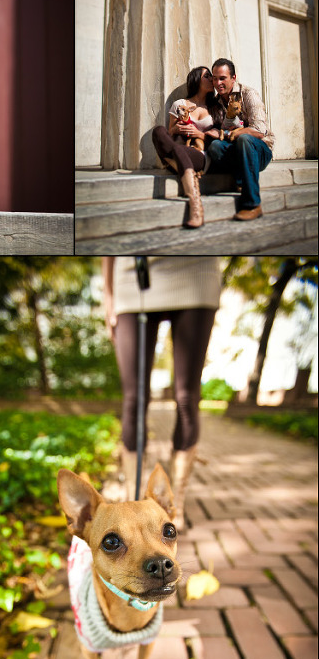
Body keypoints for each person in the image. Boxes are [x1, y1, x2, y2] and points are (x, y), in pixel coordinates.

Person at [102, 257, 221, 528]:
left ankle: (174, 502)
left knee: (186, 397)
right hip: (133, 276)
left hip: (195, 272)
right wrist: (108, 298)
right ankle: (132, 495)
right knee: (134, 398)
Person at [206, 57, 274, 220]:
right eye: (215, 78)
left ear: (233, 78)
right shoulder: (216, 102)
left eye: (222, 78)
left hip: (259, 151)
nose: (218, 83)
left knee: (244, 139)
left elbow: (260, 131)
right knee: (215, 146)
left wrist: (230, 134)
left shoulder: (248, 94)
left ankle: (252, 204)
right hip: (236, 151)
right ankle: (241, 176)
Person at [152, 65, 217, 230]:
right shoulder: (179, 104)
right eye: (207, 76)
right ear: (196, 79)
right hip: (180, 148)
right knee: (158, 131)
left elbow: (219, 137)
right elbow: (169, 134)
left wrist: (199, 133)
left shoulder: (216, 107)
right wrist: (176, 129)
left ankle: (196, 205)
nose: (212, 79)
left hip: (201, 154)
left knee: (179, 150)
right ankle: (188, 172)